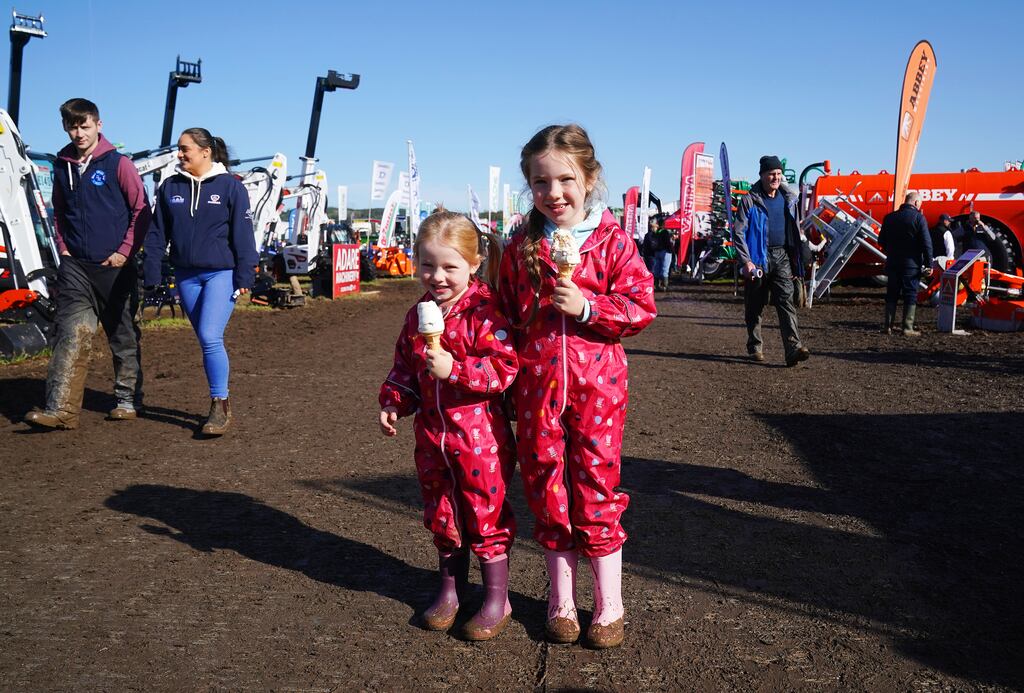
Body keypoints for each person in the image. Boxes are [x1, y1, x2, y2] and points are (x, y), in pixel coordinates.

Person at [497, 124, 656, 649]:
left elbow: (640, 307)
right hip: (537, 386)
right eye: (540, 183)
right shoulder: (522, 244)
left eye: (565, 179)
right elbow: (505, 317)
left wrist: (588, 307)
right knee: (546, 487)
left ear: (589, 179)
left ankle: (609, 603)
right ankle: (560, 599)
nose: (554, 193)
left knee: (596, 488)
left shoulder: (613, 241)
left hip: (599, 388)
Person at [378, 211, 519, 641]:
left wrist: (455, 369)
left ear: (474, 263)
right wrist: (394, 400)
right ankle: (450, 590)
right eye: (427, 265)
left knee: (484, 512)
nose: (436, 276)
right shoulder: (418, 314)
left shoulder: (485, 312)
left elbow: (504, 369)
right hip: (431, 437)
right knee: (441, 508)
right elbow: (405, 364)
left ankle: (497, 597)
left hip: (479, 439)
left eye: (449, 267)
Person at [25, 98, 151, 430]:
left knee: (122, 335)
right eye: (72, 126)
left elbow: (141, 210)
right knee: (71, 334)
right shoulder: (62, 165)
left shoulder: (118, 163)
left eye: (85, 125)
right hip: (76, 266)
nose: (79, 133)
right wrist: (64, 249)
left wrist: (125, 251)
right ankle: (61, 410)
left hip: (115, 266)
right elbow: (60, 213)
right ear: (65, 127)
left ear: (99, 124)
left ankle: (127, 400)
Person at [143, 128, 258, 435]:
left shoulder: (232, 187)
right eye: (179, 149)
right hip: (185, 275)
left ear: (205, 151)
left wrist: (246, 273)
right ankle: (220, 400)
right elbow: (157, 234)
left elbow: (244, 234)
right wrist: (152, 273)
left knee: (209, 336)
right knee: (205, 339)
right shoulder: (170, 187)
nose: (179, 154)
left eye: (185, 149)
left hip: (221, 273)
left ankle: (219, 405)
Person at [733, 155, 810, 366]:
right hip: (758, 259)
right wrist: (746, 261)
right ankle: (755, 344)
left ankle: (793, 348)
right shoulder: (750, 200)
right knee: (755, 305)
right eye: (771, 174)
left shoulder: (788, 198)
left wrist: (797, 258)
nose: (775, 177)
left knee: (786, 302)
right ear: (762, 175)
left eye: (778, 174)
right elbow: (738, 233)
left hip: (782, 256)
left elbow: (795, 228)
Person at [878, 191, 933, 336]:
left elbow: (880, 241)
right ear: (915, 203)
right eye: (920, 203)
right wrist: (929, 264)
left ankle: (887, 326)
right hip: (912, 264)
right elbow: (927, 243)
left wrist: (892, 251)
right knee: (910, 294)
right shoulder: (919, 218)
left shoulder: (889, 218)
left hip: (893, 262)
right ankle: (907, 328)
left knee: (892, 293)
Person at [650, 217, 674, 291]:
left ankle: (656, 285)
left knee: (657, 269)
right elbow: (668, 243)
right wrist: (671, 250)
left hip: (657, 252)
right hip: (665, 252)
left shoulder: (655, 233)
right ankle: (665, 286)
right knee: (665, 269)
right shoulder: (665, 232)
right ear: (664, 224)